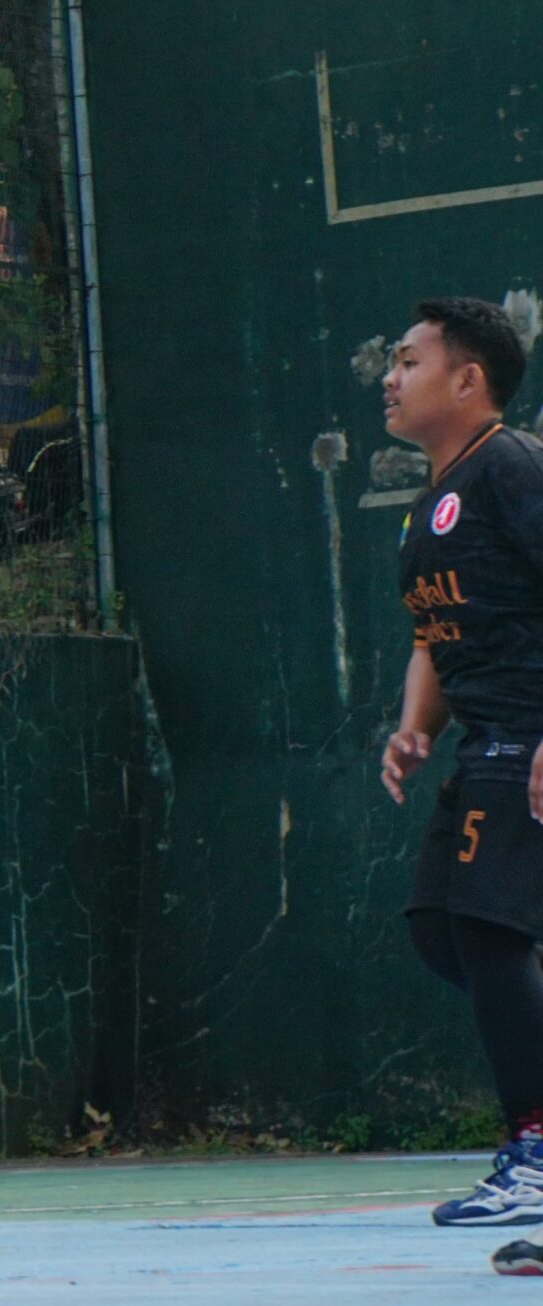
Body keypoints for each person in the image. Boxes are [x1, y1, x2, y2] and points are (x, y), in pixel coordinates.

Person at [374, 298, 543, 1248]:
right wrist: (413, 728)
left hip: (529, 735)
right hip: (482, 742)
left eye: (408, 359)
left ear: (468, 379)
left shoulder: (512, 466)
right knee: (445, 928)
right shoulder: (428, 507)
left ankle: (537, 1153)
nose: (390, 377)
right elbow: (435, 632)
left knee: (486, 925)